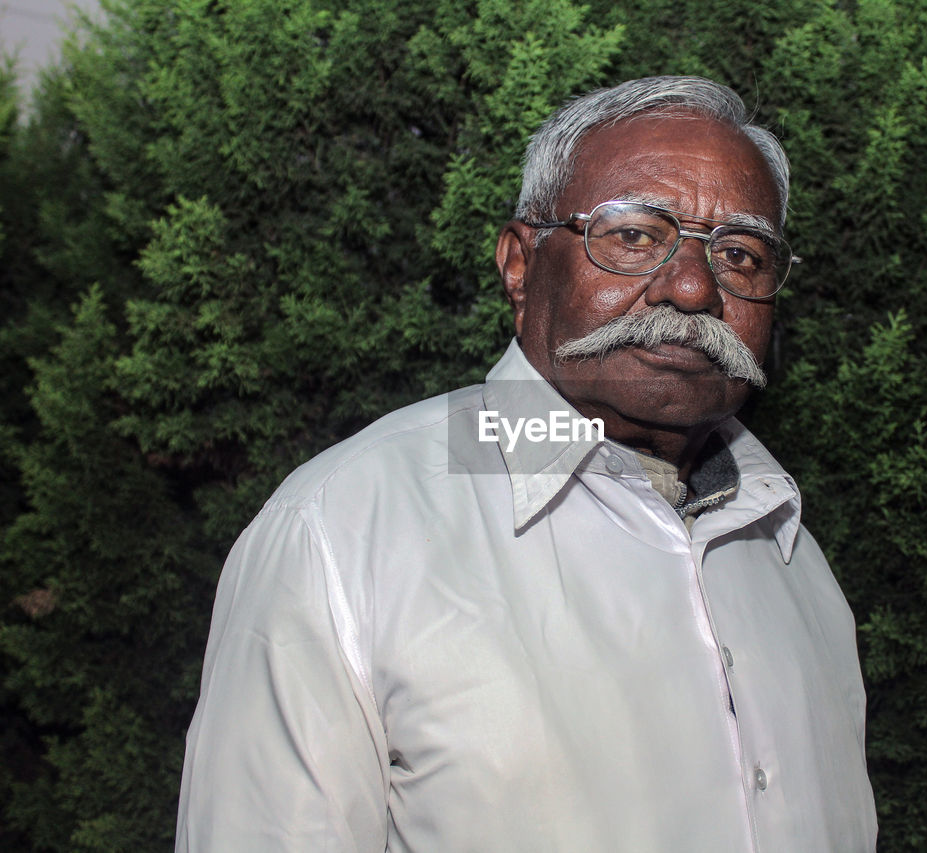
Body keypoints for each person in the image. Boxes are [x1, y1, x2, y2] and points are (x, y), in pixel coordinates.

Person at [176, 76, 877, 852]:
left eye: (741, 253)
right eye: (636, 235)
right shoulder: (342, 533)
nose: (691, 286)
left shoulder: (792, 557)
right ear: (519, 263)